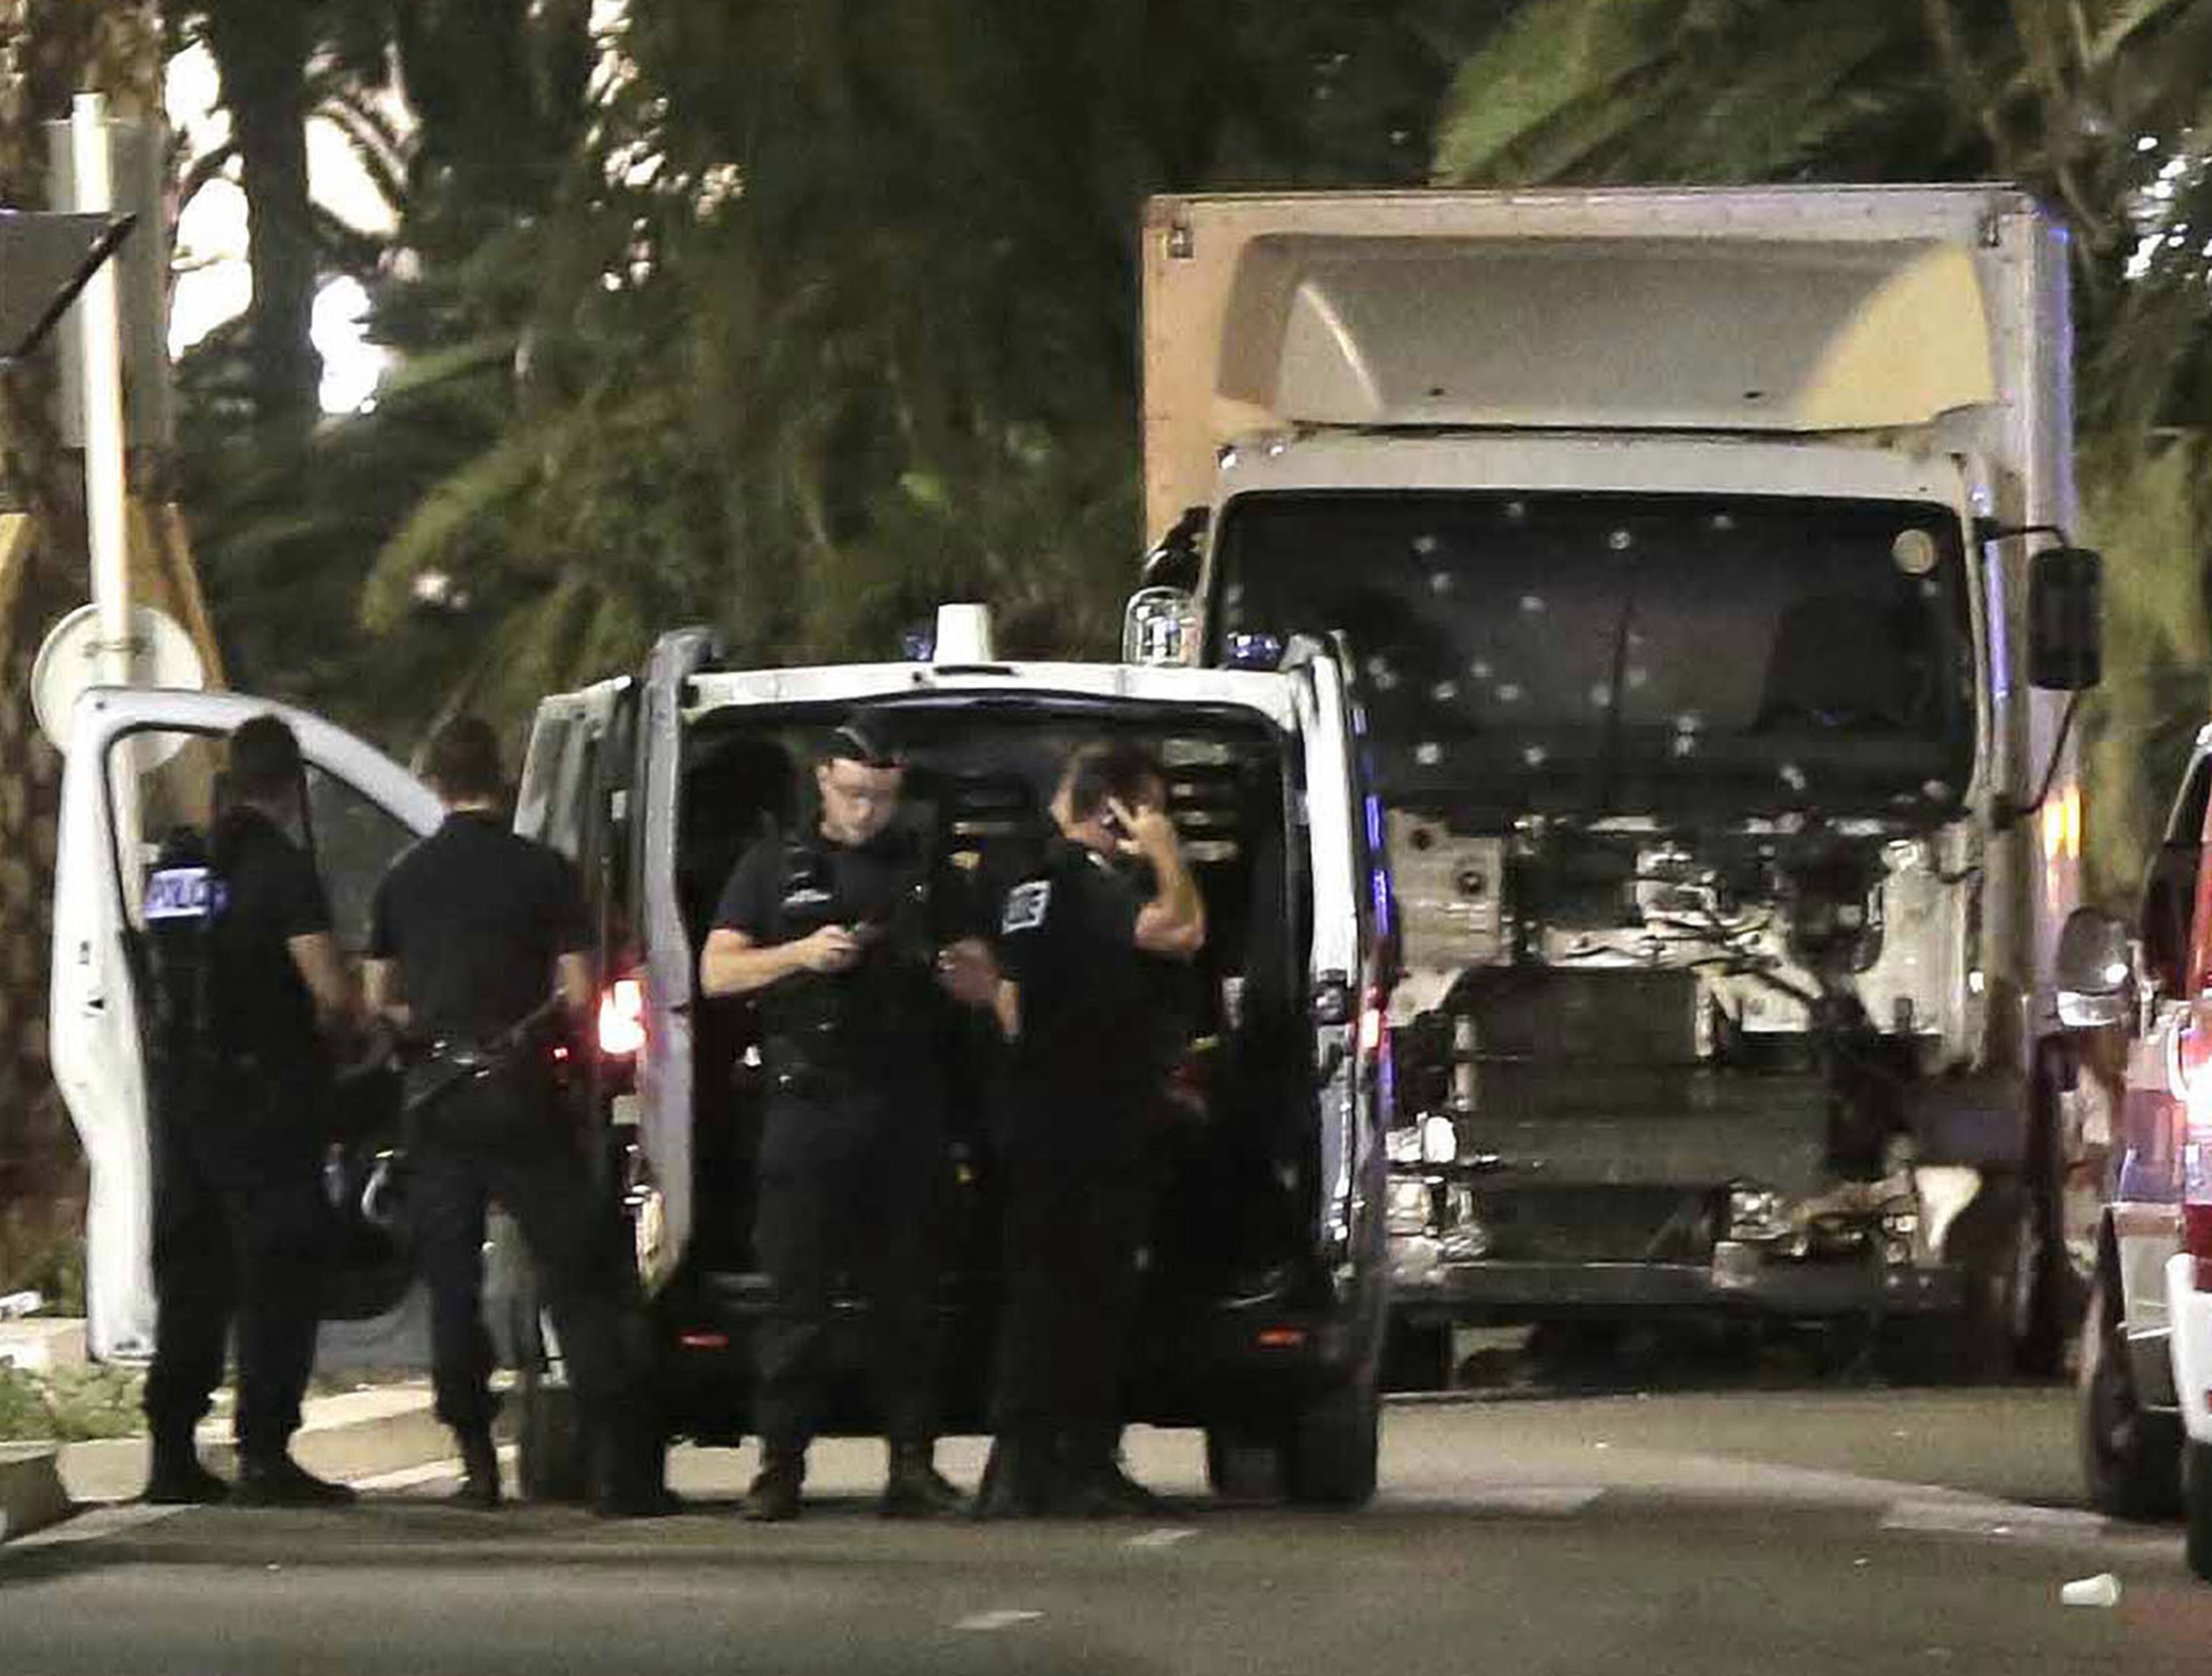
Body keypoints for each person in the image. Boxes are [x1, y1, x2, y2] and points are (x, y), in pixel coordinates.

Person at [364, 717, 672, 1516]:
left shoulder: (403, 878)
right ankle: (616, 1473)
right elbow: (576, 990)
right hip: (524, 1096)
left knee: (452, 1289)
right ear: (499, 784)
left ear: (435, 784)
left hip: (439, 1102)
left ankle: (476, 1466)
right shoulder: (544, 871)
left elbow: (378, 1000)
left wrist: (428, 1024)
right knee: (580, 1277)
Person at [698, 714, 968, 1522]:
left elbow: (982, 967)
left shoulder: (926, 870)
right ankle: (779, 1467)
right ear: (823, 781)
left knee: (908, 1301)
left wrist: (960, 972)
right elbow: (716, 971)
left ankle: (912, 1465)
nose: (866, 812)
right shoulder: (774, 865)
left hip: (903, 1105)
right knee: (796, 1302)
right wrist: (801, 955)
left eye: (882, 797)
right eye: (853, 795)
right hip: (808, 1106)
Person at [944, 741, 1206, 1518]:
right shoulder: (1080, 880)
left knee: (1052, 1295)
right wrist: (1166, 852)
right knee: (1080, 1296)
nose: (1158, 823)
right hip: (1084, 1123)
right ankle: (1060, 1462)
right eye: (1150, 808)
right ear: (1116, 809)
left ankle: (1037, 1462)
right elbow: (1181, 929)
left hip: (1050, 1117)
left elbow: (1012, 994)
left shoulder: (1035, 878)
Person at [141, 714, 360, 1507]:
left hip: (183, 1098)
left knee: (192, 1270)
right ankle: (264, 1450)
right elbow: (332, 991)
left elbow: (170, 966)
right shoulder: (283, 866)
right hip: (263, 1098)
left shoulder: (180, 860)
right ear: (291, 785)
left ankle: (170, 1450)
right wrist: (357, 1024)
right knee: (277, 1269)